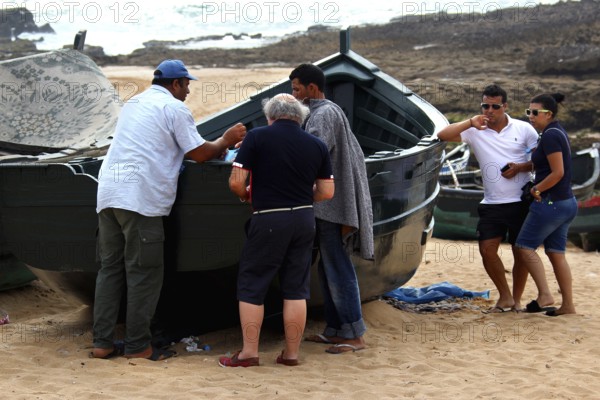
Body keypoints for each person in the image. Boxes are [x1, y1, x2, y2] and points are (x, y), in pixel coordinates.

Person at [92, 59, 246, 360]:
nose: (188, 92)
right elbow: (199, 153)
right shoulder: (174, 108)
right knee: (143, 273)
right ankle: (138, 346)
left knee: (110, 270)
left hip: (108, 194)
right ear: (175, 84)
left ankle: (102, 343)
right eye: (186, 85)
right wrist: (226, 141)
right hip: (140, 199)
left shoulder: (134, 103)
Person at [218, 94, 334, 368]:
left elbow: (236, 183)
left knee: (252, 285)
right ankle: (291, 355)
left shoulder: (257, 138)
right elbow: (327, 191)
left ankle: (249, 353)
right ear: (300, 117)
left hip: (269, 217)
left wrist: (249, 196)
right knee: (296, 288)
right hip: (305, 219)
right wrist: (302, 198)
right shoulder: (317, 145)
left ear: (270, 116)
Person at [289, 63, 373, 354]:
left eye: (297, 89)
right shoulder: (326, 111)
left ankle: (354, 335)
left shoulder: (322, 114)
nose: (294, 95)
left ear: (312, 88)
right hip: (330, 205)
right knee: (328, 268)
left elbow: (311, 154)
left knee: (337, 267)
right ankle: (337, 330)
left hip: (331, 207)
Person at [436, 84, 539, 312]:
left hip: (521, 201)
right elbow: (442, 135)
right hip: (492, 202)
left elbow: (540, 160)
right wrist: (470, 122)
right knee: (486, 250)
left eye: (494, 106)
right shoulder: (475, 130)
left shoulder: (524, 129)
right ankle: (505, 296)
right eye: (485, 105)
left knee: (519, 251)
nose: (489, 110)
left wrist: (520, 167)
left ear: (505, 106)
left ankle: (516, 299)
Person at [515, 93, 577, 317]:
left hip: (551, 203)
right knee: (556, 253)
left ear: (548, 114)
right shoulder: (556, 131)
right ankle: (568, 306)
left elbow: (558, 172)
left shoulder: (550, 136)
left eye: (535, 112)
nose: (530, 116)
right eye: (528, 112)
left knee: (524, 247)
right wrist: (522, 167)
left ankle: (545, 295)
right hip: (566, 202)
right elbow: (545, 163)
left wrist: (536, 189)